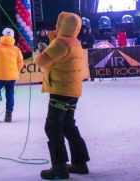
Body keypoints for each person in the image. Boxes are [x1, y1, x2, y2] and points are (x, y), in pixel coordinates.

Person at [35, 12, 90, 179]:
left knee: (52, 127)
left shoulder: (61, 43)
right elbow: (60, 56)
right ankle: (80, 163)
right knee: (68, 125)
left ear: (63, 25)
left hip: (60, 90)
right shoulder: (75, 42)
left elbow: (42, 61)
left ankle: (59, 167)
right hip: (72, 90)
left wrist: (41, 52)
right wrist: (52, 42)